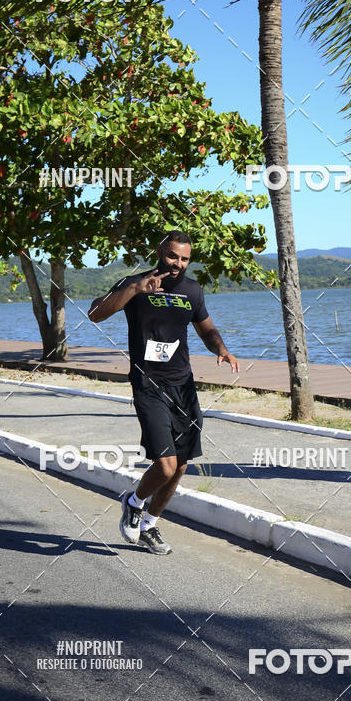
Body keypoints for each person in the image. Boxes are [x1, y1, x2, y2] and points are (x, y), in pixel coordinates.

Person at [88, 230, 240, 554]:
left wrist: (222, 349)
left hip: (183, 386)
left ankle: (149, 525)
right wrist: (134, 289)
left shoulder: (192, 290)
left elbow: (207, 328)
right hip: (148, 385)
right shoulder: (135, 283)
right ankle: (134, 502)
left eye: (184, 259)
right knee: (166, 465)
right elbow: (95, 313)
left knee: (181, 465)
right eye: (173, 256)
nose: (178, 263)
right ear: (160, 252)